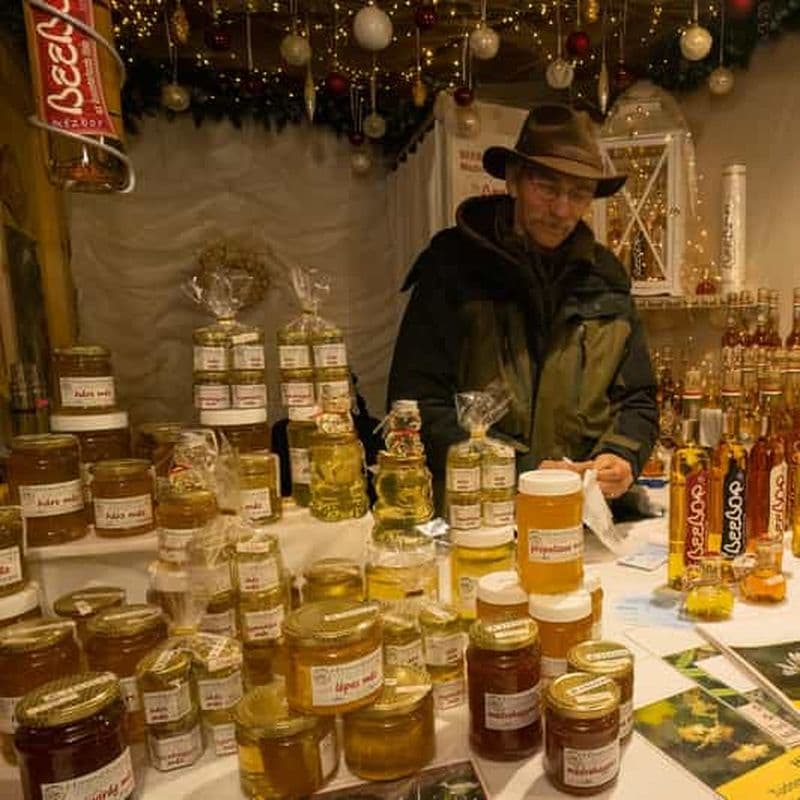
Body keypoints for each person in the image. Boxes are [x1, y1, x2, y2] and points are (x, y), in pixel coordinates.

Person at [387, 103, 658, 508]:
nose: (563, 210)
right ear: (514, 180)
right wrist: (522, 471)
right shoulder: (453, 268)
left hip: (582, 517)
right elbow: (415, 408)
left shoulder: (606, 279)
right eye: (547, 188)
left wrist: (623, 455)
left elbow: (638, 399)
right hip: (478, 515)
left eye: (579, 193)